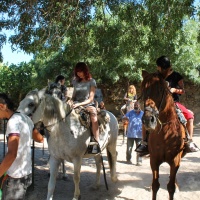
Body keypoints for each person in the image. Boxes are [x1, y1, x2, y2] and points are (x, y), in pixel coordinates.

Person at [136, 55, 199, 154]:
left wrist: (174, 90)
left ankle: (189, 141)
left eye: (158, 66)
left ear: (162, 67)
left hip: (174, 102)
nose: (157, 68)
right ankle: (144, 142)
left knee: (190, 116)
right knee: (145, 117)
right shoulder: (156, 76)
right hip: (158, 103)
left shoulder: (177, 76)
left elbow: (183, 90)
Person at [0, 93, 44, 200]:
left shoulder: (13, 122)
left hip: (15, 179)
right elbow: (40, 139)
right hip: (26, 175)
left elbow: (12, 154)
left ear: (2, 106)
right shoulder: (25, 118)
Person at [71, 62, 99, 153]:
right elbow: (73, 96)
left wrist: (79, 104)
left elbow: (91, 99)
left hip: (87, 104)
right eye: (77, 72)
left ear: (85, 71)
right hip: (75, 104)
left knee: (94, 116)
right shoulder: (75, 81)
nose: (79, 73)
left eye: (80, 71)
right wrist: (70, 101)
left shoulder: (92, 81)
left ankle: (96, 142)